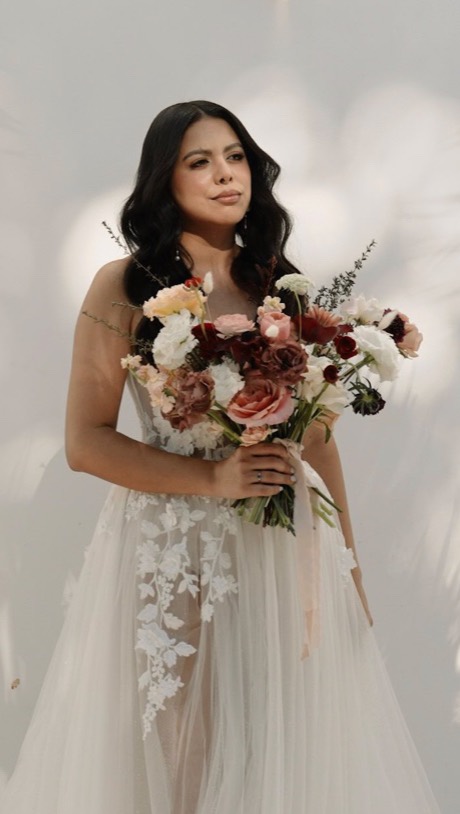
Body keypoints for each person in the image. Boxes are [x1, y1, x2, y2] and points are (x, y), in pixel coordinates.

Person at [1, 101, 440, 814]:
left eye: (234, 156)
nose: (224, 175)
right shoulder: (126, 286)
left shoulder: (282, 283)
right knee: (184, 755)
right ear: (162, 180)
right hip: (174, 544)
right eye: (198, 161)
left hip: (281, 547)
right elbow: (85, 442)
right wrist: (211, 478)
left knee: (282, 745)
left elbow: (318, 440)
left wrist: (349, 571)